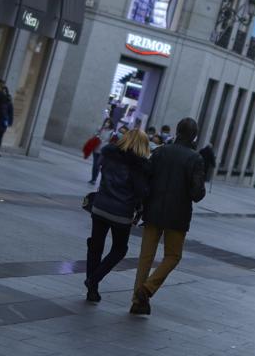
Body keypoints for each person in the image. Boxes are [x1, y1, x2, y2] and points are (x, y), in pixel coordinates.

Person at [131, 117, 206, 316]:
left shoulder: (161, 151)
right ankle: (147, 289)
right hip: (177, 216)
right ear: (194, 136)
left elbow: (146, 178)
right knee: (173, 256)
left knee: (145, 257)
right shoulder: (195, 158)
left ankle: (136, 301)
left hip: (152, 211)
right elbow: (197, 194)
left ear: (177, 131)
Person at [85, 129, 152, 302]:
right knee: (119, 249)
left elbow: (102, 170)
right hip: (121, 213)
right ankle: (94, 279)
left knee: (95, 245)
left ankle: (92, 290)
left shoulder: (109, 154)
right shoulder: (139, 166)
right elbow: (141, 192)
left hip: (100, 207)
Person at [88, 119, 115, 184]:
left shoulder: (111, 132)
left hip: (104, 151)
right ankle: (93, 179)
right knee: (95, 165)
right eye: (106, 122)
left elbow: (111, 141)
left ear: (110, 124)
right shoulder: (100, 128)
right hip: (96, 148)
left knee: (98, 165)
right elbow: (94, 135)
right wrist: (97, 135)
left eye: (108, 122)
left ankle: (96, 179)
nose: (106, 123)